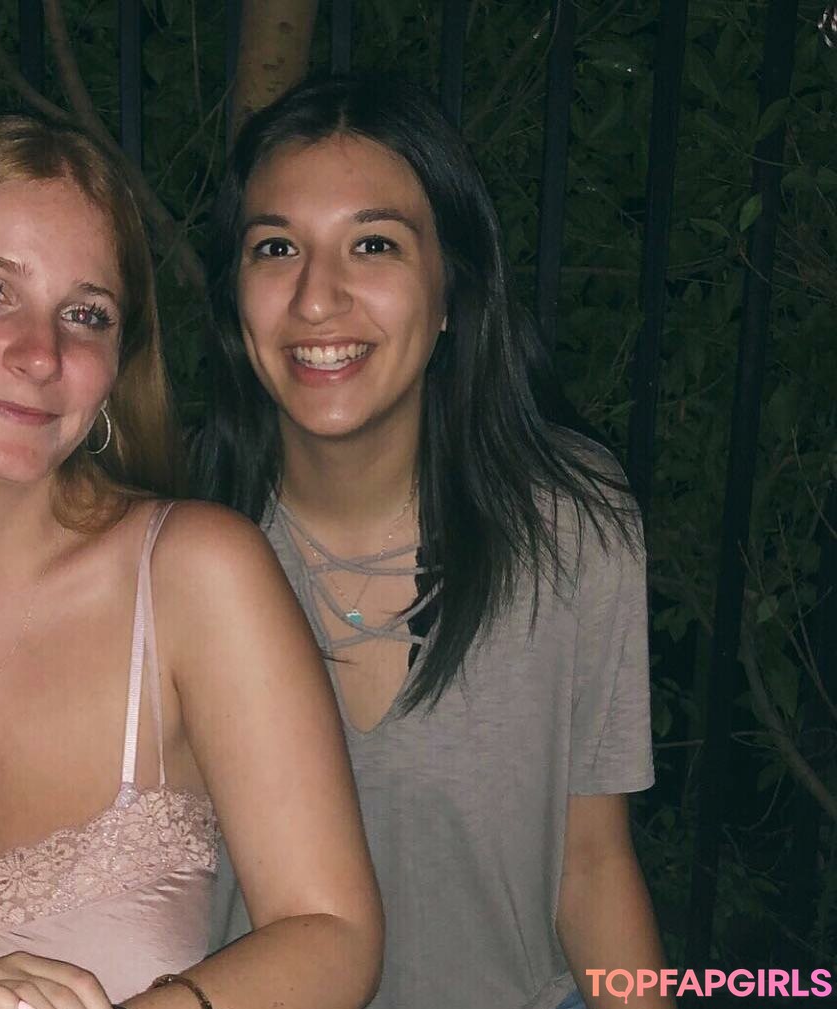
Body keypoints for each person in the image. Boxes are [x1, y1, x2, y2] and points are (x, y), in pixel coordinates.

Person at [0, 114, 382, 1009]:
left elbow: (332, 931)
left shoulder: (197, 574)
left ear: (113, 369)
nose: (40, 352)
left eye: (86, 315)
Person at [196, 77, 670, 1009]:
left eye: (373, 244)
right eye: (276, 247)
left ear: (450, 287)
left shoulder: (572, 524)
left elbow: (591, 863)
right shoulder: (172, 540)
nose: (316, 298)